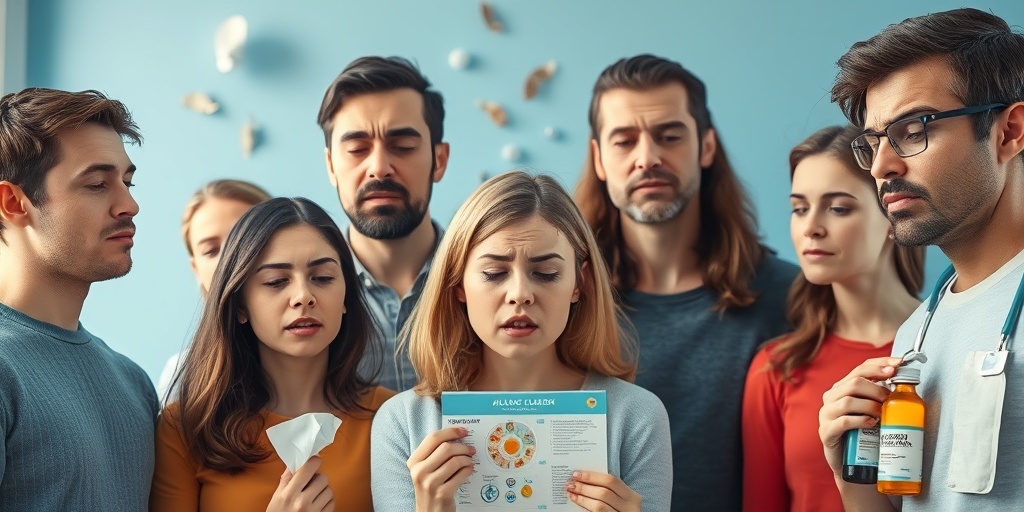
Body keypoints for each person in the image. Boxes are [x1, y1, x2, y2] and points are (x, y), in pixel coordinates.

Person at [817, 8, 1024, 511]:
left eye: (914, 130)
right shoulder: (916, 334)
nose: (882, 167)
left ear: (1009, 132)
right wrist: (848, 471)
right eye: (873, 143)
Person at [574, 54, 799, 510]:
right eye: (624, 141)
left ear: (706, 146)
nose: (647, 158)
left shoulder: (791, 296)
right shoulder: (564, 301)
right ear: (599, 159)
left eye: (669, 136)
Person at [371, 171, 672, 511]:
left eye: (545, 273)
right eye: (494, 273)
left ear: (580, 282)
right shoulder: (402, 422)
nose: (520, 294)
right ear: (457, 284)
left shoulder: (637, 417)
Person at [150, 197, 395, 512]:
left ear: (346, 295)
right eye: (276, 281)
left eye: (323, 278)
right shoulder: (184, 428)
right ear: (240, 305)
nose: (303, 296)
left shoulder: (390, 416)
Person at [741, 125, 925, 512]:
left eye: (838, 208)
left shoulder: (948, 344)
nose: (810, 228)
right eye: (799, 209)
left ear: (893, 212)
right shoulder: (775, 369)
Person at [0, 88, 157, 510]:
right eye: (97, 184)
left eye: (127, 182)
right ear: (14, 202)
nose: (129, 205)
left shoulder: (134, 382)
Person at [317, 55, 449, 392]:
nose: (379, 167)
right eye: (357, 149)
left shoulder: (492, 282)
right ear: (331, 166)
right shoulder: (302, 297)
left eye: (403, 147)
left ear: (439, 160)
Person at [156, 178, 271, 402]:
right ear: (197, 270)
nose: (230, 257)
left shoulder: (336, 348)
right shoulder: (183, 377)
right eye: (211, 250)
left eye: (245, 238)